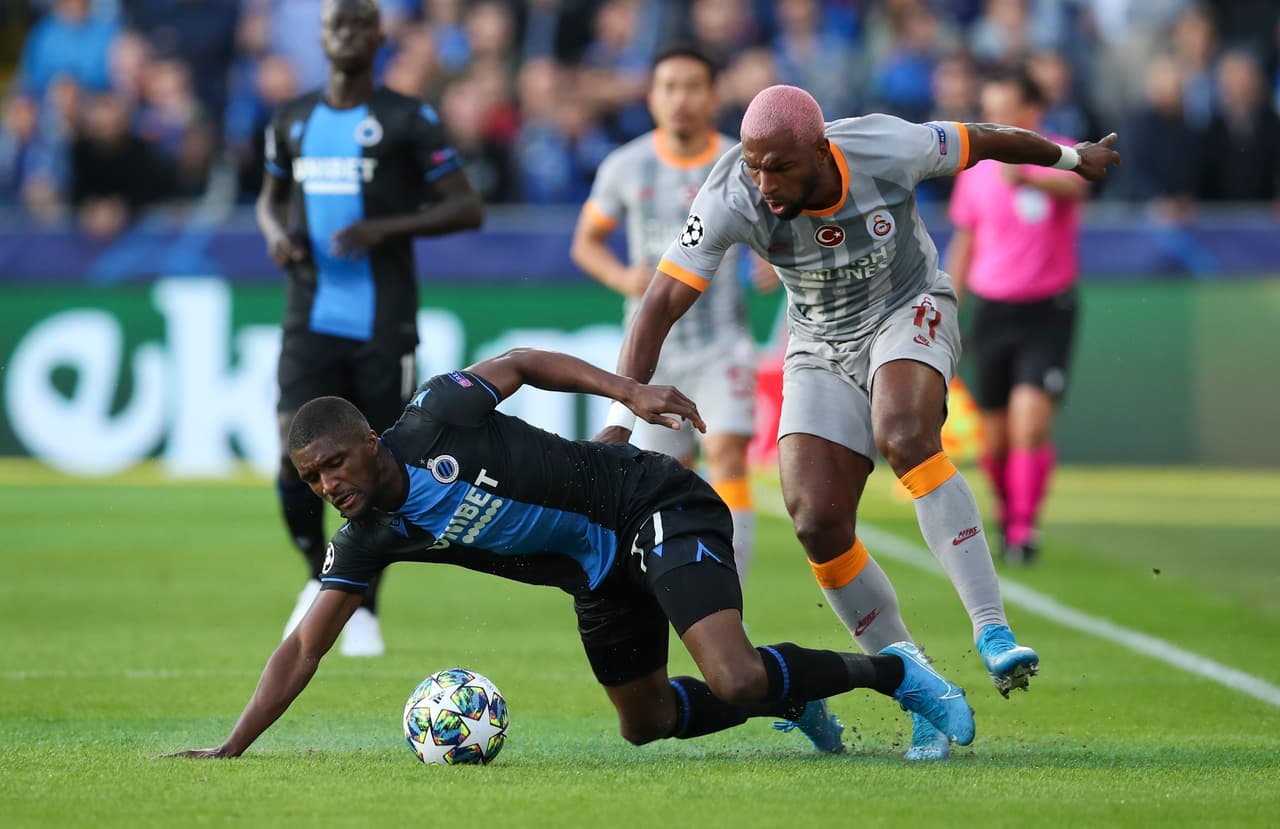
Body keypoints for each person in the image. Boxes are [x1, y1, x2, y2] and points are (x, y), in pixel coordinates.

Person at [602, 84, 1120, 760]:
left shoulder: (885, 146)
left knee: (905, 435)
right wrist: (618, 415)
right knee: (816, 518)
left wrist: (1070, 157)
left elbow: (983, 138)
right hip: (817, 343)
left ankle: (991, 627)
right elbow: (660, 301)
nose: (765, 184)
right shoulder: (732, 190)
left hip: (907, 307)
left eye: (780, 167)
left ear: (821, 150)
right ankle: (916, 682)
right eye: (756, 166)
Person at [167, 347, 976, 759]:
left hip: (648, 501)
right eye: (311, 478)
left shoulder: (436, 416)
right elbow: (305, 642)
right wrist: (229, 746)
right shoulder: (371, 535)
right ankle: (786, 693)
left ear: (368, 441)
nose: (327, 485)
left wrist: (630, 393)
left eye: (334, 464)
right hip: (598, 575)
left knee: (730, 673)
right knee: (646, 723)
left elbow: (519, 362)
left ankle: (899, 673)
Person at [257, 0, 484, 657]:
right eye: (338, 24)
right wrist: (276, 235)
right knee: (288, 451)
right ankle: (319, 578)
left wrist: (384, 228)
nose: (349, 33)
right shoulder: (291, 120)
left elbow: (467, 206)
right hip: (309, 315)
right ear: (322, 36)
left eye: (362, 23)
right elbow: (268, 199)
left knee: (379, 466)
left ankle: (363, 604)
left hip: (383, 323)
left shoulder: (408, 120)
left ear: (381, 36)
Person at [571, 46, 759, 585]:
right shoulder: (626, 165)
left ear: (713, 96)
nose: (680, 99)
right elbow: (586, 242)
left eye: (692, 86)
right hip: (654, 351)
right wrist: (620, 276)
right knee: (667, 476)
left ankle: (731, 590)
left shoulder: (738, 161)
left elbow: (773, 231)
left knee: (726, 453)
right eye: (669, 87)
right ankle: (686, 585)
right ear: (652, 97)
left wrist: (767, 264)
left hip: (723, 340)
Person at [945, 70, 1087, 565]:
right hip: (993, 309)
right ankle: (1008, 516)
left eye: (1005, 108)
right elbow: (966, 240)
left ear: (1031, 112)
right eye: (990, 108)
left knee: (1030, 424)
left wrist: (1026, 173)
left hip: (1048, 308)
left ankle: (1026, 531)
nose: (996, 119)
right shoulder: (976, 168)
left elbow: (1079, 189)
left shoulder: (1062, 152)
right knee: (998, 437)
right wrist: (945, 302)